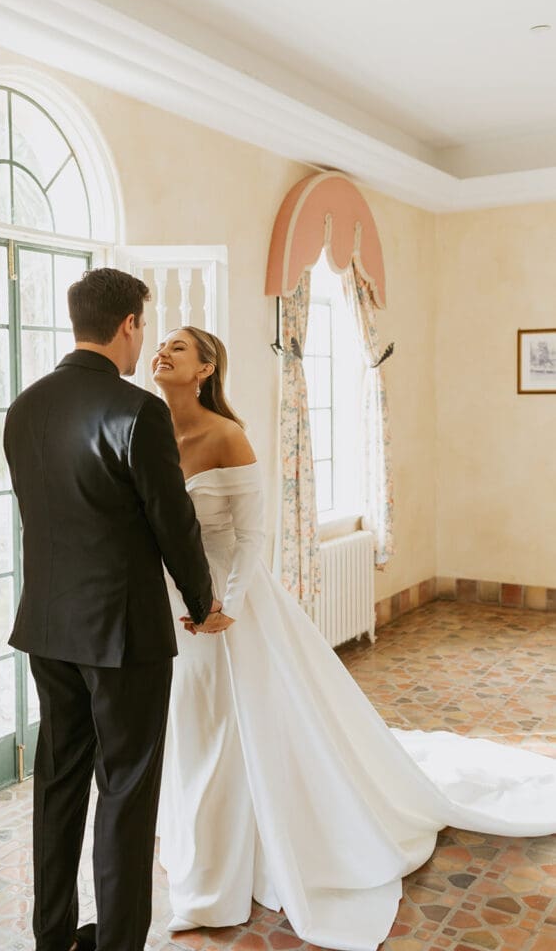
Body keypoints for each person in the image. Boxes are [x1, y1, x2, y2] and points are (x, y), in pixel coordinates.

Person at [152, 325, 556, 951]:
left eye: (178, 347)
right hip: (174, 601)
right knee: (195, 720)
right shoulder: (151, 430)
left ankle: (237, 857)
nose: (162, 351)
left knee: (234, 721)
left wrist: (222, 605)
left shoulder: (227, 436)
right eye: (160, 343)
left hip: (228, 602)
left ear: (205, 368)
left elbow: (254, 535)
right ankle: (204, 845)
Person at [3, 270, 229, 951]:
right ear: (129, 323)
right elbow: (173, 522)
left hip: (47, 626)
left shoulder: (24, 406)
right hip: (123, 633)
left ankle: (52, 936)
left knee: (58, 784)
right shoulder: (137, 411)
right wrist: (201, 599)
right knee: (126, 793)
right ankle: (119, 944)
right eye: (144, 330)